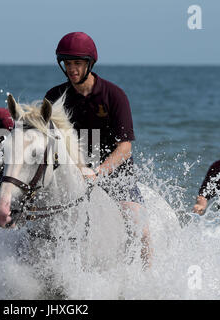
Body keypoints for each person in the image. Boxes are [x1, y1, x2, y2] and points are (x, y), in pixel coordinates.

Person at [44, 32, 150, 266]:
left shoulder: (114, 95)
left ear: (89, 64)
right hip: (70, 171)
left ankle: (148, 279)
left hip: (114, 172)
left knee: (139, 228)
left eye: (78, 64)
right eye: (68, 64)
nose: (72, 69)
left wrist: (99, 171)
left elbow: (125, 148)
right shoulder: (54, 97)